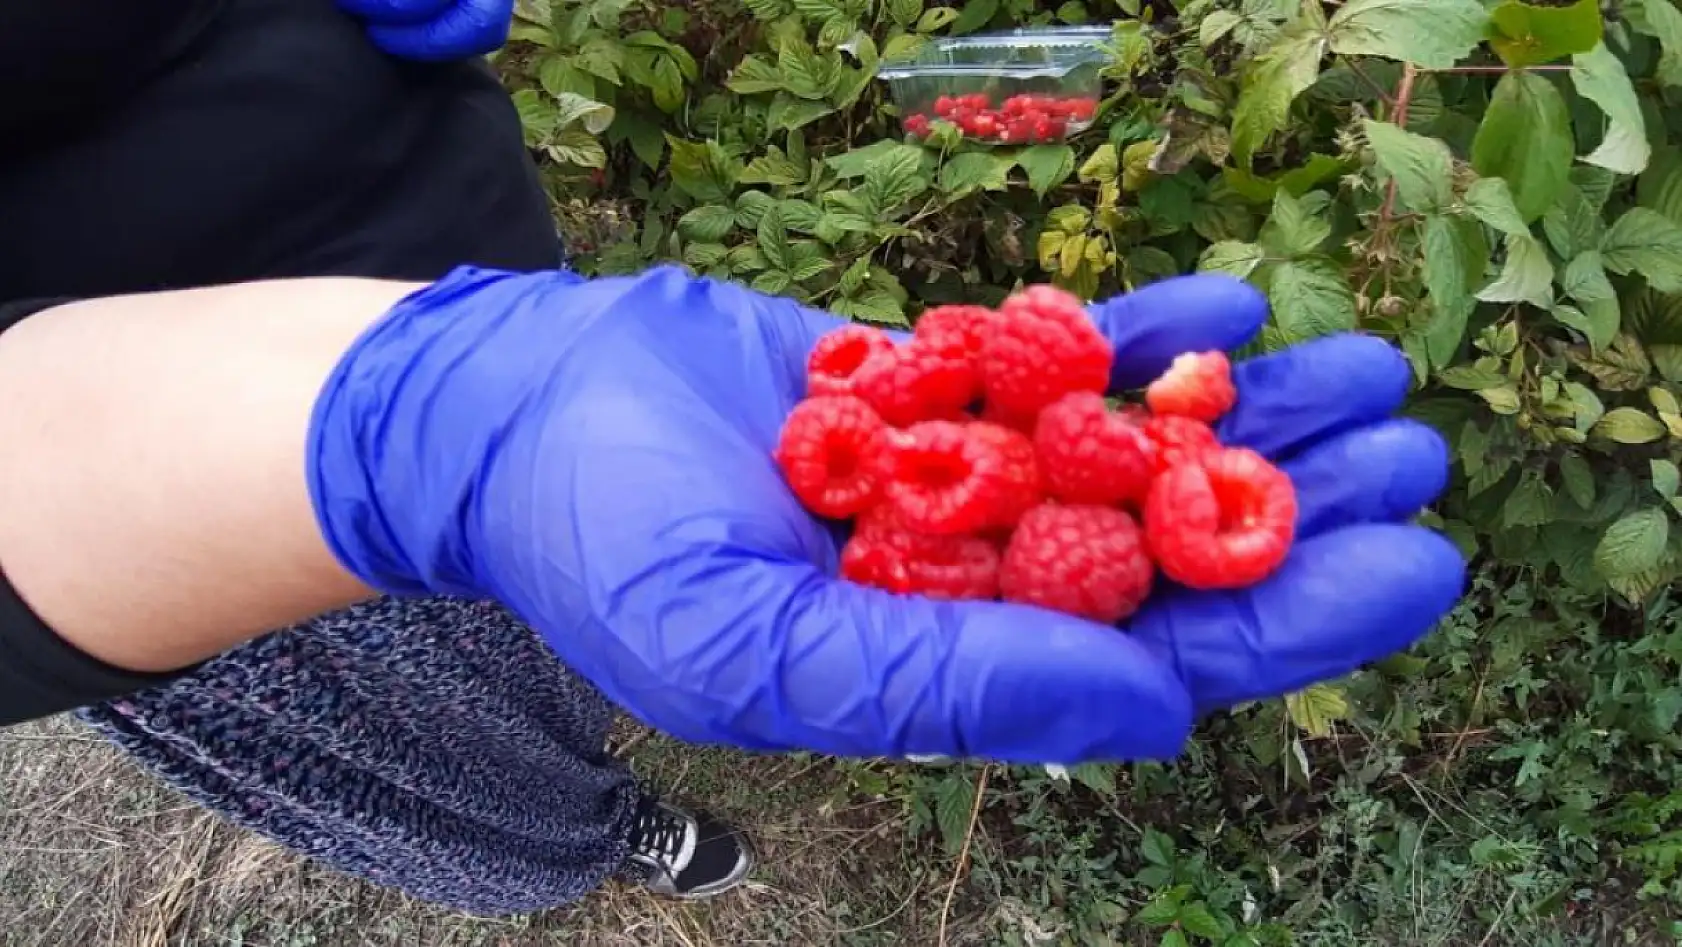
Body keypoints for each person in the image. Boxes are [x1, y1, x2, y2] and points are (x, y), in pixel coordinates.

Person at [0, 0, 1467, 921]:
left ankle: (602, 763)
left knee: (577, 624)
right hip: (137, 517)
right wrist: (417, 419)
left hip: (517, 308)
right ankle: (587, 841)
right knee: (432, 747)